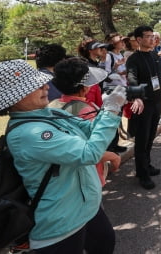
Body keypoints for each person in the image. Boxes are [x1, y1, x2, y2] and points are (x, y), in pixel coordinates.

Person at [0, 59, 126, 253]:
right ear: (12, 98)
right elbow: (88, 153)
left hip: (84, 208)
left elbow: (89, 130)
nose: (46, 86)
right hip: (60, 224)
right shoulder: (29, 133)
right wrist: (111, 110)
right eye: (35, 86)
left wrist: (108, 110)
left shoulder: (46, 114)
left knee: (105, 244)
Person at [49, 57, 122, 187]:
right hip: (87, 175)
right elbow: (93, 148)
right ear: (84, 88)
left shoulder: (52, 105)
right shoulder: (86, 110)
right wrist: (113, 156)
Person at [126, 25, 161, 189]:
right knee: (142, 139)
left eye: (153, 36)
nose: (152, 39)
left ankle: (147, 165)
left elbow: (158, 77)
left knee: (150, 136)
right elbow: (131, 78)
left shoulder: (154, 55)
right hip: (144, 103)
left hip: (156, 101)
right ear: (139, 39)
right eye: (148, 36)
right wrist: (136, 97)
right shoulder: (133, 59)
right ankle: (142, 173)